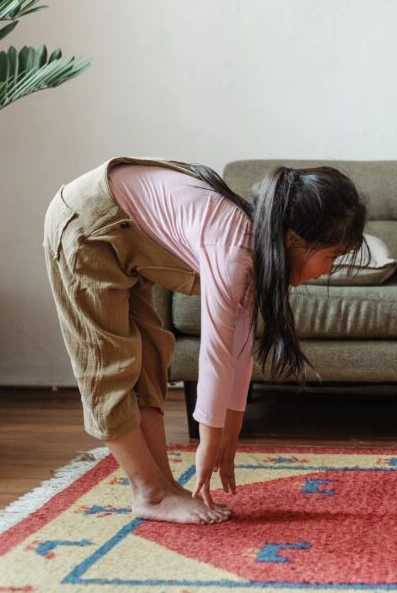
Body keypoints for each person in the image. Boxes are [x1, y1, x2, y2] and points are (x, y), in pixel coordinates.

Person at [43, 157, 368, 524]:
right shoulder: (233, 251)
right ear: (294, 239)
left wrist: (231, 431)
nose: (329, 270)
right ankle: (150, 493)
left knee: (149, 359)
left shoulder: (254, 249)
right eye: (331, 257)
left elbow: (240, 347)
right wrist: (208, 442)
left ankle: (163, 486)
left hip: (122, 229)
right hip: (88, 223)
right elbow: (215, 352)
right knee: (109, 367)